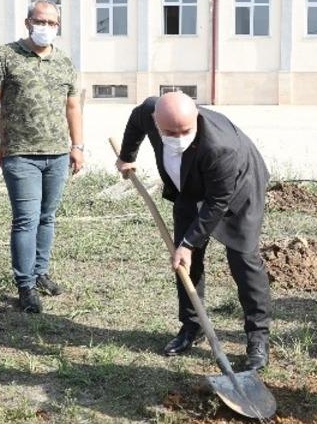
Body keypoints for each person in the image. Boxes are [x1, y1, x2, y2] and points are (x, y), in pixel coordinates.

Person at [115, 92, 273, 370]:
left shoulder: (222, 147)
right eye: (169, 132)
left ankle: (257, 338)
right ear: (157, 120)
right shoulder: (151, 112)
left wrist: (189, 242)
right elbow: (136, 122)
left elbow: (217, 202)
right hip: (188, 185)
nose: (177, 137)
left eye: (185, 130)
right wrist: (127, 156)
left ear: (196, 118)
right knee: (186, 261)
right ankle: (192, 326)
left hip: (238, 190)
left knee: (243, 260)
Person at [0, 0, 83, 314]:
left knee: (47, 217)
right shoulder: (5, 55)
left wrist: (77, 146)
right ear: (28, 22)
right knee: (26, 220)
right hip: (20, 154)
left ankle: (40, 273)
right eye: (42, 21)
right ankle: (25, 285)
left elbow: (73, 106)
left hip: (57, 154)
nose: (47, 27)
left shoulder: (64, 61)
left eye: (53, 23)